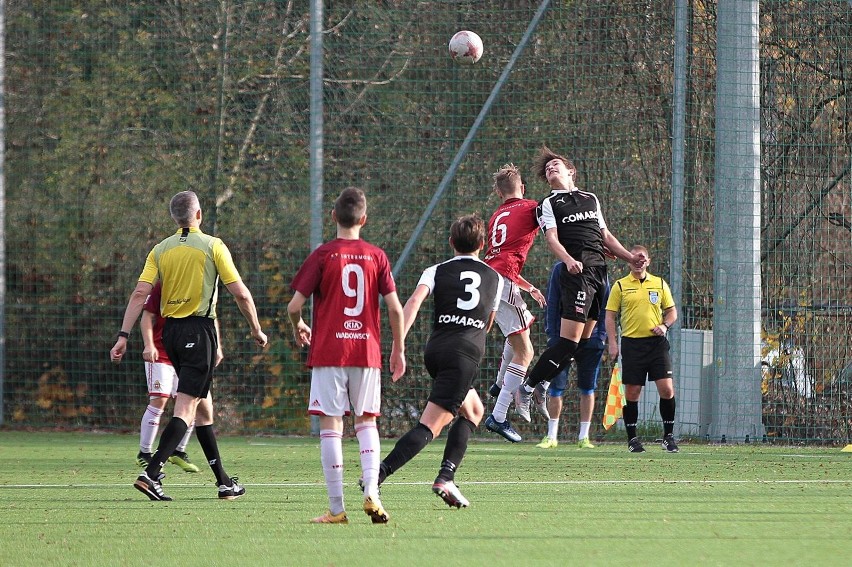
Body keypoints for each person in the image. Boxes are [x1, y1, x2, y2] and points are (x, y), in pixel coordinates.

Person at [111, 190, 268, 501]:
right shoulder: (213, 246)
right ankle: (151, 473)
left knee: (203, 406)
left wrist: (123, 335)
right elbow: (240, 293)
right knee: (186, 407)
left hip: (171, 334)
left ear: (174, 218)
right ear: (199, 215)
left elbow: (139, 294)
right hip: (199, 331)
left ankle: (224, 482)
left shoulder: (161, 249)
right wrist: (256, 328)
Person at [288, 187, 406, 525]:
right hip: (366, 351)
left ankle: (337, 509)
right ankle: (372, 490)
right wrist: (398, 347)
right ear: (364, 220)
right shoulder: (377, 256)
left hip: (329, 351)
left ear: (333, 217)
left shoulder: (324, 254)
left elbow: (294, 305)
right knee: (366, 422)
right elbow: (396, 308)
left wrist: (299, 324)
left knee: (331, 426)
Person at [377, 214, 502, 508]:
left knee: (473, 410)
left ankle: (447, 475)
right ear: (482, 245)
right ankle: (378, 474)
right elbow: (489, 321)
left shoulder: (435, 270)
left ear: (451, 243)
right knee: (430, 426)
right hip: (464, 355)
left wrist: (399, 345)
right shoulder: (494, 277)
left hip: (436, 350)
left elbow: (414, 302)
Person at [514, 146, 640, 418]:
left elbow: (605, 236)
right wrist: (568, 260)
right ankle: (527, 388)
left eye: (556, 164)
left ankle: (543, 382)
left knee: (580, 343)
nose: (551, 169)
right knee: (567, 342)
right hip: (576, 274)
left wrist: (629, 257)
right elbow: (551, 238)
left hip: (599, 274)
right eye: (547, 170)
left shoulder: (590, 198)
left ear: (571, 171)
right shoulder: (549, 203)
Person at [478, 164, 546, 443]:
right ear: (524, 188)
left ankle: (498, 385)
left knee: (519, 333)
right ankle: (499, 415)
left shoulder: (496, 216)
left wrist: (528, 287)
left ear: (498, 191)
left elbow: (504, 257)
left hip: (492, 277)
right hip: (503, 280)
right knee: (525, 352)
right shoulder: (531, 207)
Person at [604, 245, 679, 453]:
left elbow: (672, 312)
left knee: (667, 389)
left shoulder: (659, 283)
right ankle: (633, 439)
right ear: (629, 261)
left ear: (648, 261)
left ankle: (669, 437)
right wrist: (612, 342)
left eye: (642, 258)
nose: (638, 262)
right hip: (631, 344)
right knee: (633, 392)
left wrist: (664, 325)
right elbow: (610, 316)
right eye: (634, 258)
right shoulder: (620, 286)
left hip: (656, 345)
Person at [134, 280, 211, 473]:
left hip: (186, 355)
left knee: (192, 401)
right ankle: (144, 453)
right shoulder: (163, 285)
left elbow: (211, 316)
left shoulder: (200, 285)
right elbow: (146, 317)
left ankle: (178, 451)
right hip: (160, 353)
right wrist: (149, 344)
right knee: (159, 399)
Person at [535, 262, 609, 449]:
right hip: (563, 339)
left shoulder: (599, 269)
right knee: (556, 387)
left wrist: (600, 336)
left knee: (587, 388)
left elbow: (604, 305)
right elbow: (552, 302)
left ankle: (584, 437)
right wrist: (553, 334)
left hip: (591, 341)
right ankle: (551, 436)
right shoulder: (560, 269)